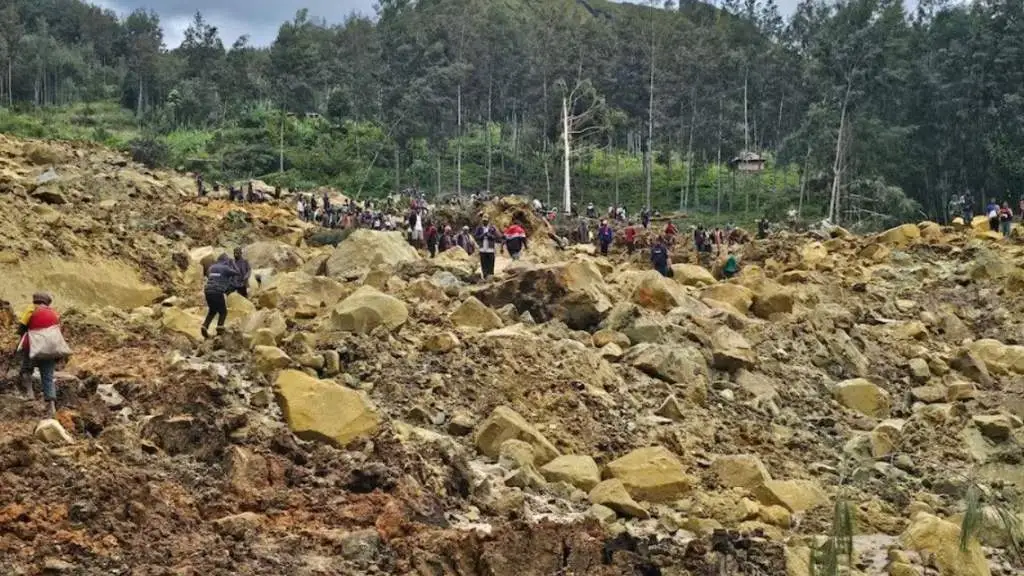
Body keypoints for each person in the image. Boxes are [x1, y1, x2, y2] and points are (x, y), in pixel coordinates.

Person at [17, 292, 68, 416]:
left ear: (35, 300)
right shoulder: (53, 312)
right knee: (47, 377)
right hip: (50, 350)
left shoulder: (31, 309)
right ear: (47, 302)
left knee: (26, 370)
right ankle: (51, 408)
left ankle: (30, 395)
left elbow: (21, 328)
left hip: (32, 347)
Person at [201, 254, 239, 339]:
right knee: (223, 312)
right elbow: (237, 272)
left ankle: (205, 326)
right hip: (217, 291)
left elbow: (210, 276)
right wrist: (233, 263)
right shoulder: (225, 268)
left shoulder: (211, 268)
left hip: (207, 291)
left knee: (212, 310)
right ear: (226, 261)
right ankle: (219, 329)